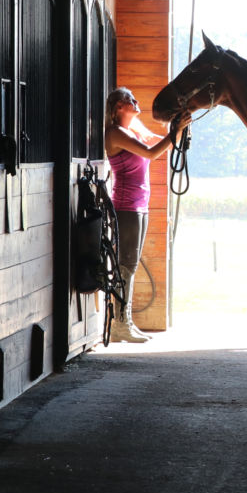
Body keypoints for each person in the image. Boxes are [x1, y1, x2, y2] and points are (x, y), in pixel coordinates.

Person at [104, 87, 182, 343]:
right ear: (118, 107)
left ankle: (125, 321)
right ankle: (119, 324)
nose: (136, 102)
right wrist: (177, 131)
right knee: (125, 264)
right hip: (126, 206)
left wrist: (178, 123)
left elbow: (160, 142)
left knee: (131, 265)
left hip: (140, 205)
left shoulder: (135, 129)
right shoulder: (116, 133)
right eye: (130, 100)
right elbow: (151, 153)